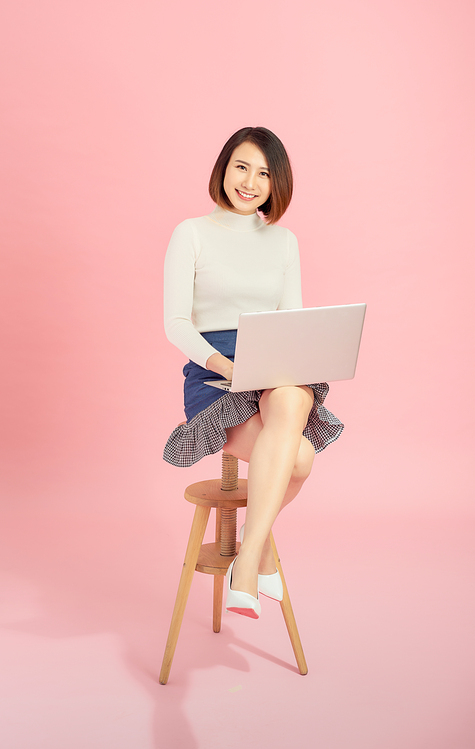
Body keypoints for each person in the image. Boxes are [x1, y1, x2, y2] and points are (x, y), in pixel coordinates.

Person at [163, 126, 343, 619]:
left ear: (276, 183)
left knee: (290, 396)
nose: (250, 182)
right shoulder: (192, 233)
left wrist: (286, 361)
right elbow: (176, 323)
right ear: (223, 168)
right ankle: (257, 549)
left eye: (264, 173)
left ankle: (246, 559)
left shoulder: (284, 241)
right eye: (241, 166)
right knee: (300, 458)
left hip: (273, 364)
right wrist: (227, 365)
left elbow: (291, 321)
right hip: (215, 370)